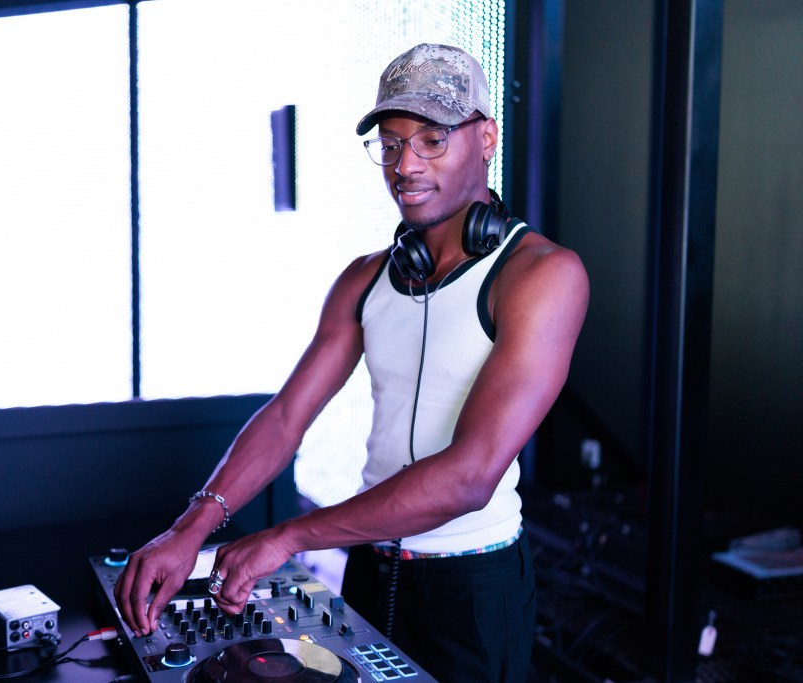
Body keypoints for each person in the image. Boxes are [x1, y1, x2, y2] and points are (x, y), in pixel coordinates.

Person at [115, 43, 588, 682]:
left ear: (486, 138)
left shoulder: (541, 275)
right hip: (370, 571)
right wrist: (191, 528)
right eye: (391, 145)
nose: (406, 165)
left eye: (431, 140)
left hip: (473, 588)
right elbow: (286, 416)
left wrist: (289, 537)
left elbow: (470, 475)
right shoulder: (364, 280)